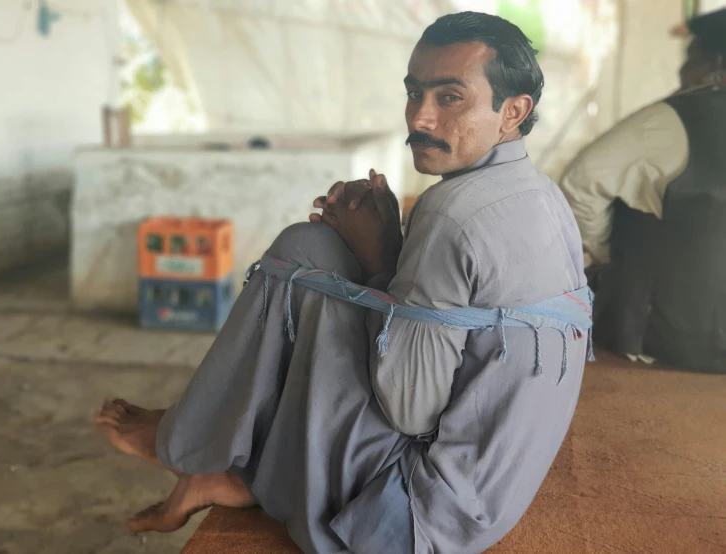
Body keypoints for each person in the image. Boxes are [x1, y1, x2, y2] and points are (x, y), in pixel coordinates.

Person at [95, 12, 590, 553]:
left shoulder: (451, 214)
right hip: (489, 494)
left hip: (411, 518)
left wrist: (379, 259)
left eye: (450, 98)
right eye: (414, 93)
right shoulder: (540, 194)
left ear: (513, 112)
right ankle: (216, 452)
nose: (420, 118)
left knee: (300, 256)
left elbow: (410, 408)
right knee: (317, 254)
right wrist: (385, 257)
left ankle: (195, 444)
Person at [559, 7, 726, 371]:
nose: (682, 71)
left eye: (690, 58)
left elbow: (581, 181)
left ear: (712, 60)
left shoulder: (673, 119)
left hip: (671, 338)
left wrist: (600, 252)